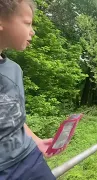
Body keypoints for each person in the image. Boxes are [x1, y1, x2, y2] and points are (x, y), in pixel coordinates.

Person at [0, 0, 56, 179]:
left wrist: (36, 141)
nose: (32, 31)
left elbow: (14, 114)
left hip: (30, 158)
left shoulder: (14, 70)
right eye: (27, 23)